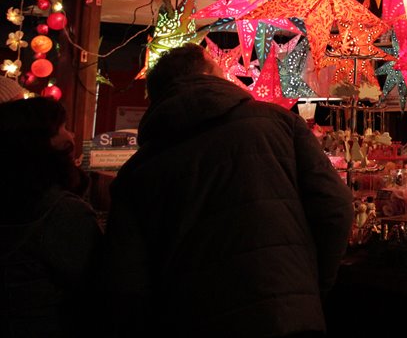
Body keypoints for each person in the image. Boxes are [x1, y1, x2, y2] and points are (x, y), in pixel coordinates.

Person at [100, 43, 353, 337]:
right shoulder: (279, 123)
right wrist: (309, 284)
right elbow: (335, 207)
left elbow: (124, 281)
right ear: (210, 75)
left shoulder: (136, 173)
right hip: (286, 316)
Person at [0, 96, 101, 337]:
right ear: (39, 143)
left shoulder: (14, 197)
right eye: (63, 128)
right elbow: (98, 283)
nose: (72, 136)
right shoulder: (62, 211)